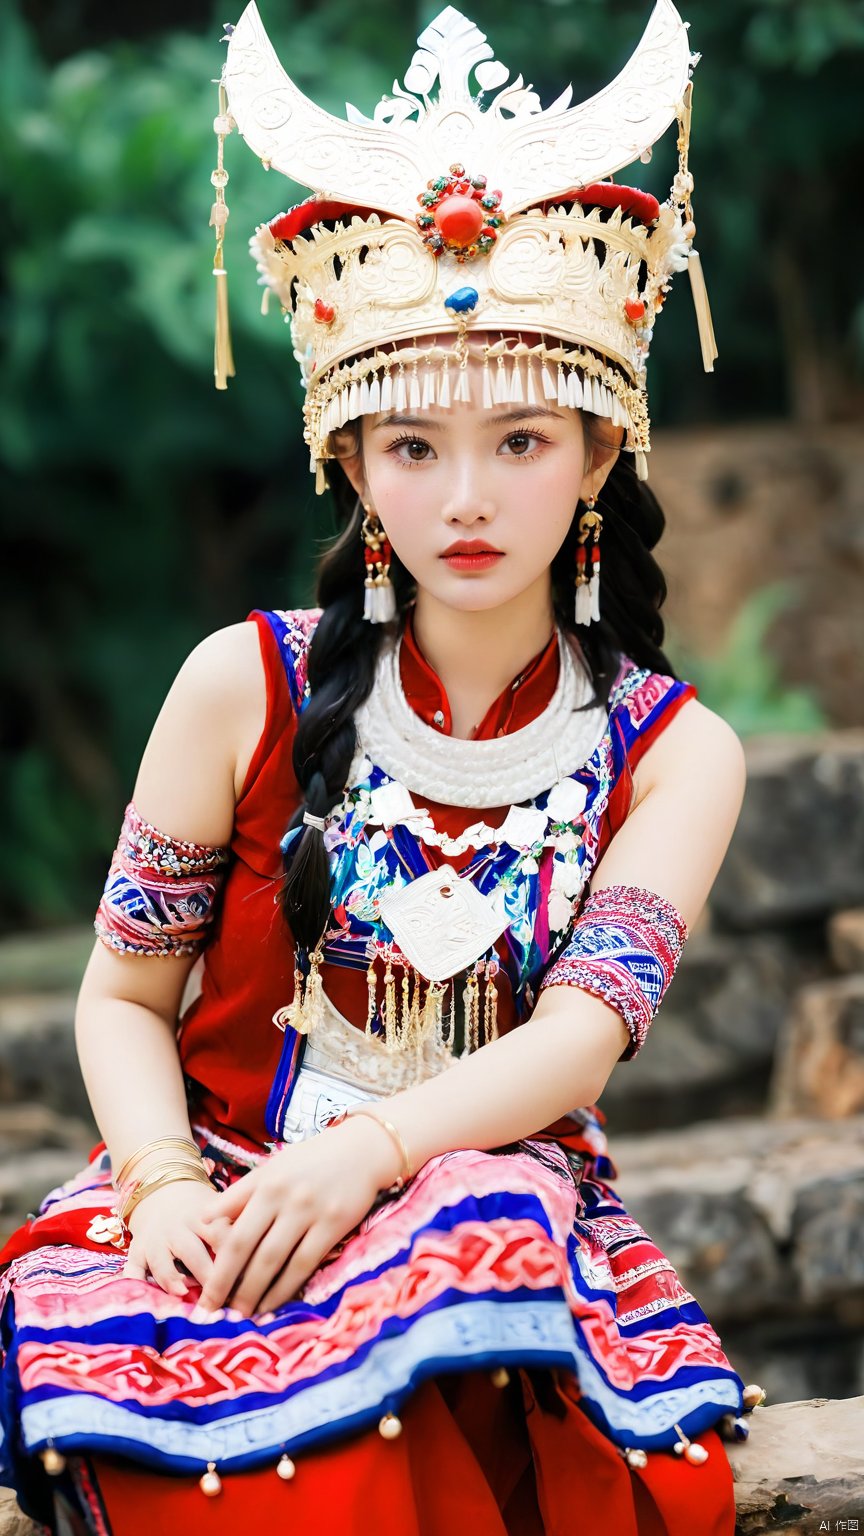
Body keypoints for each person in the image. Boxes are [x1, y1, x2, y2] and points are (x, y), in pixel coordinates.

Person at [0, 4, 766, 1532]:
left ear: (606, 451)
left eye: (524, 442)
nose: (466, 499)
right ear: (346, 461)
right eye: (412, 448)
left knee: (476, 1232)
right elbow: (122, 995)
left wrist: (369, 1157)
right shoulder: (243, 685)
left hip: (480, 1192)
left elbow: (579, 1041)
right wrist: (159, 1188)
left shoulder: (678, 752)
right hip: (214, 1183)